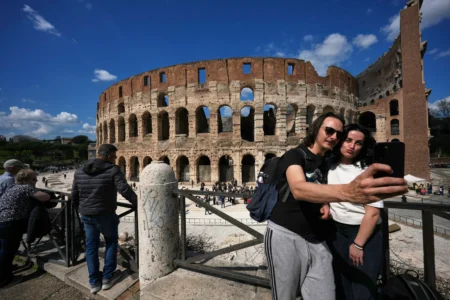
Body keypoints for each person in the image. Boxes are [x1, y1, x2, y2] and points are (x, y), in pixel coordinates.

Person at [264, 112, 407, 300]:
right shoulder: (294, 155)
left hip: (319, 238)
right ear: (315, 129)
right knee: (286, 295)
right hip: (287, 233)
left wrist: (325, 201)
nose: (333, 137)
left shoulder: (327, 162)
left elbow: (321, 186)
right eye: (329, 130)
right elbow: (299, 189)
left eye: (338, 134)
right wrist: (348, 192)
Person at [72, 144, 137, 294]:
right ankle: (108, 278)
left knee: (91, 247)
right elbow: (124, 189)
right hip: (106, 214)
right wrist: (138, 203)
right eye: (114, 156)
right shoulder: (112, 169)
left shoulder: (80, 170)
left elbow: (75, 194)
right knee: (111, 242)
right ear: (108, 156)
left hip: (87, 215)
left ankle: (94, 282)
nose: (115, 159)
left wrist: (80, 209)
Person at [327, 124, 382, 300]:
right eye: (348, 140)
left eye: (358, 143)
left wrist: (358, 244)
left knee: (362, 290)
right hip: (337, 231)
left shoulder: (368, 171)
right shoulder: (329, 166)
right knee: (342, 285)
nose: (352, 146)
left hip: (364, 233)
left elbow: (373, 212)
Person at [0, 169, 50, 288]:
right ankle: (4, 280)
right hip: (11, 223)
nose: (36, 180)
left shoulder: (12, 188)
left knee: (3, 250)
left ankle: (4, 274)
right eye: (34, 179)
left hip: (2, 221)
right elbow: (45, 197)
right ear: (26, 180)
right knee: (8, 251)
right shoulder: (26, 188)